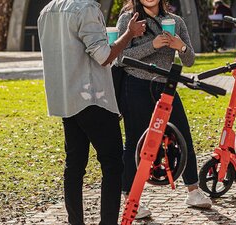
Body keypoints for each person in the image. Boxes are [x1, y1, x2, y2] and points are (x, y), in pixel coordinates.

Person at [37, 0, 146, 224]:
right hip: (92, 97)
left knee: (74, 165)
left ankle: (75, 221)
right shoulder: (86, 9)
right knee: (112, 164)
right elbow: (104, 56)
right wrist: (129, 34)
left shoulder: (46, 11)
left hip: (66, 98)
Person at [113, 0, 212, 219]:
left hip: (167, 86)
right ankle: (132, 199)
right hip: (135, 85)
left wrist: (181, 47)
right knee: (135, 142)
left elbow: (190, 60)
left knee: (183, 136)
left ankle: (193, 191)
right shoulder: (127, 20)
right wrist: (153, 45)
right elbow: (119, 57)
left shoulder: (176, 22)